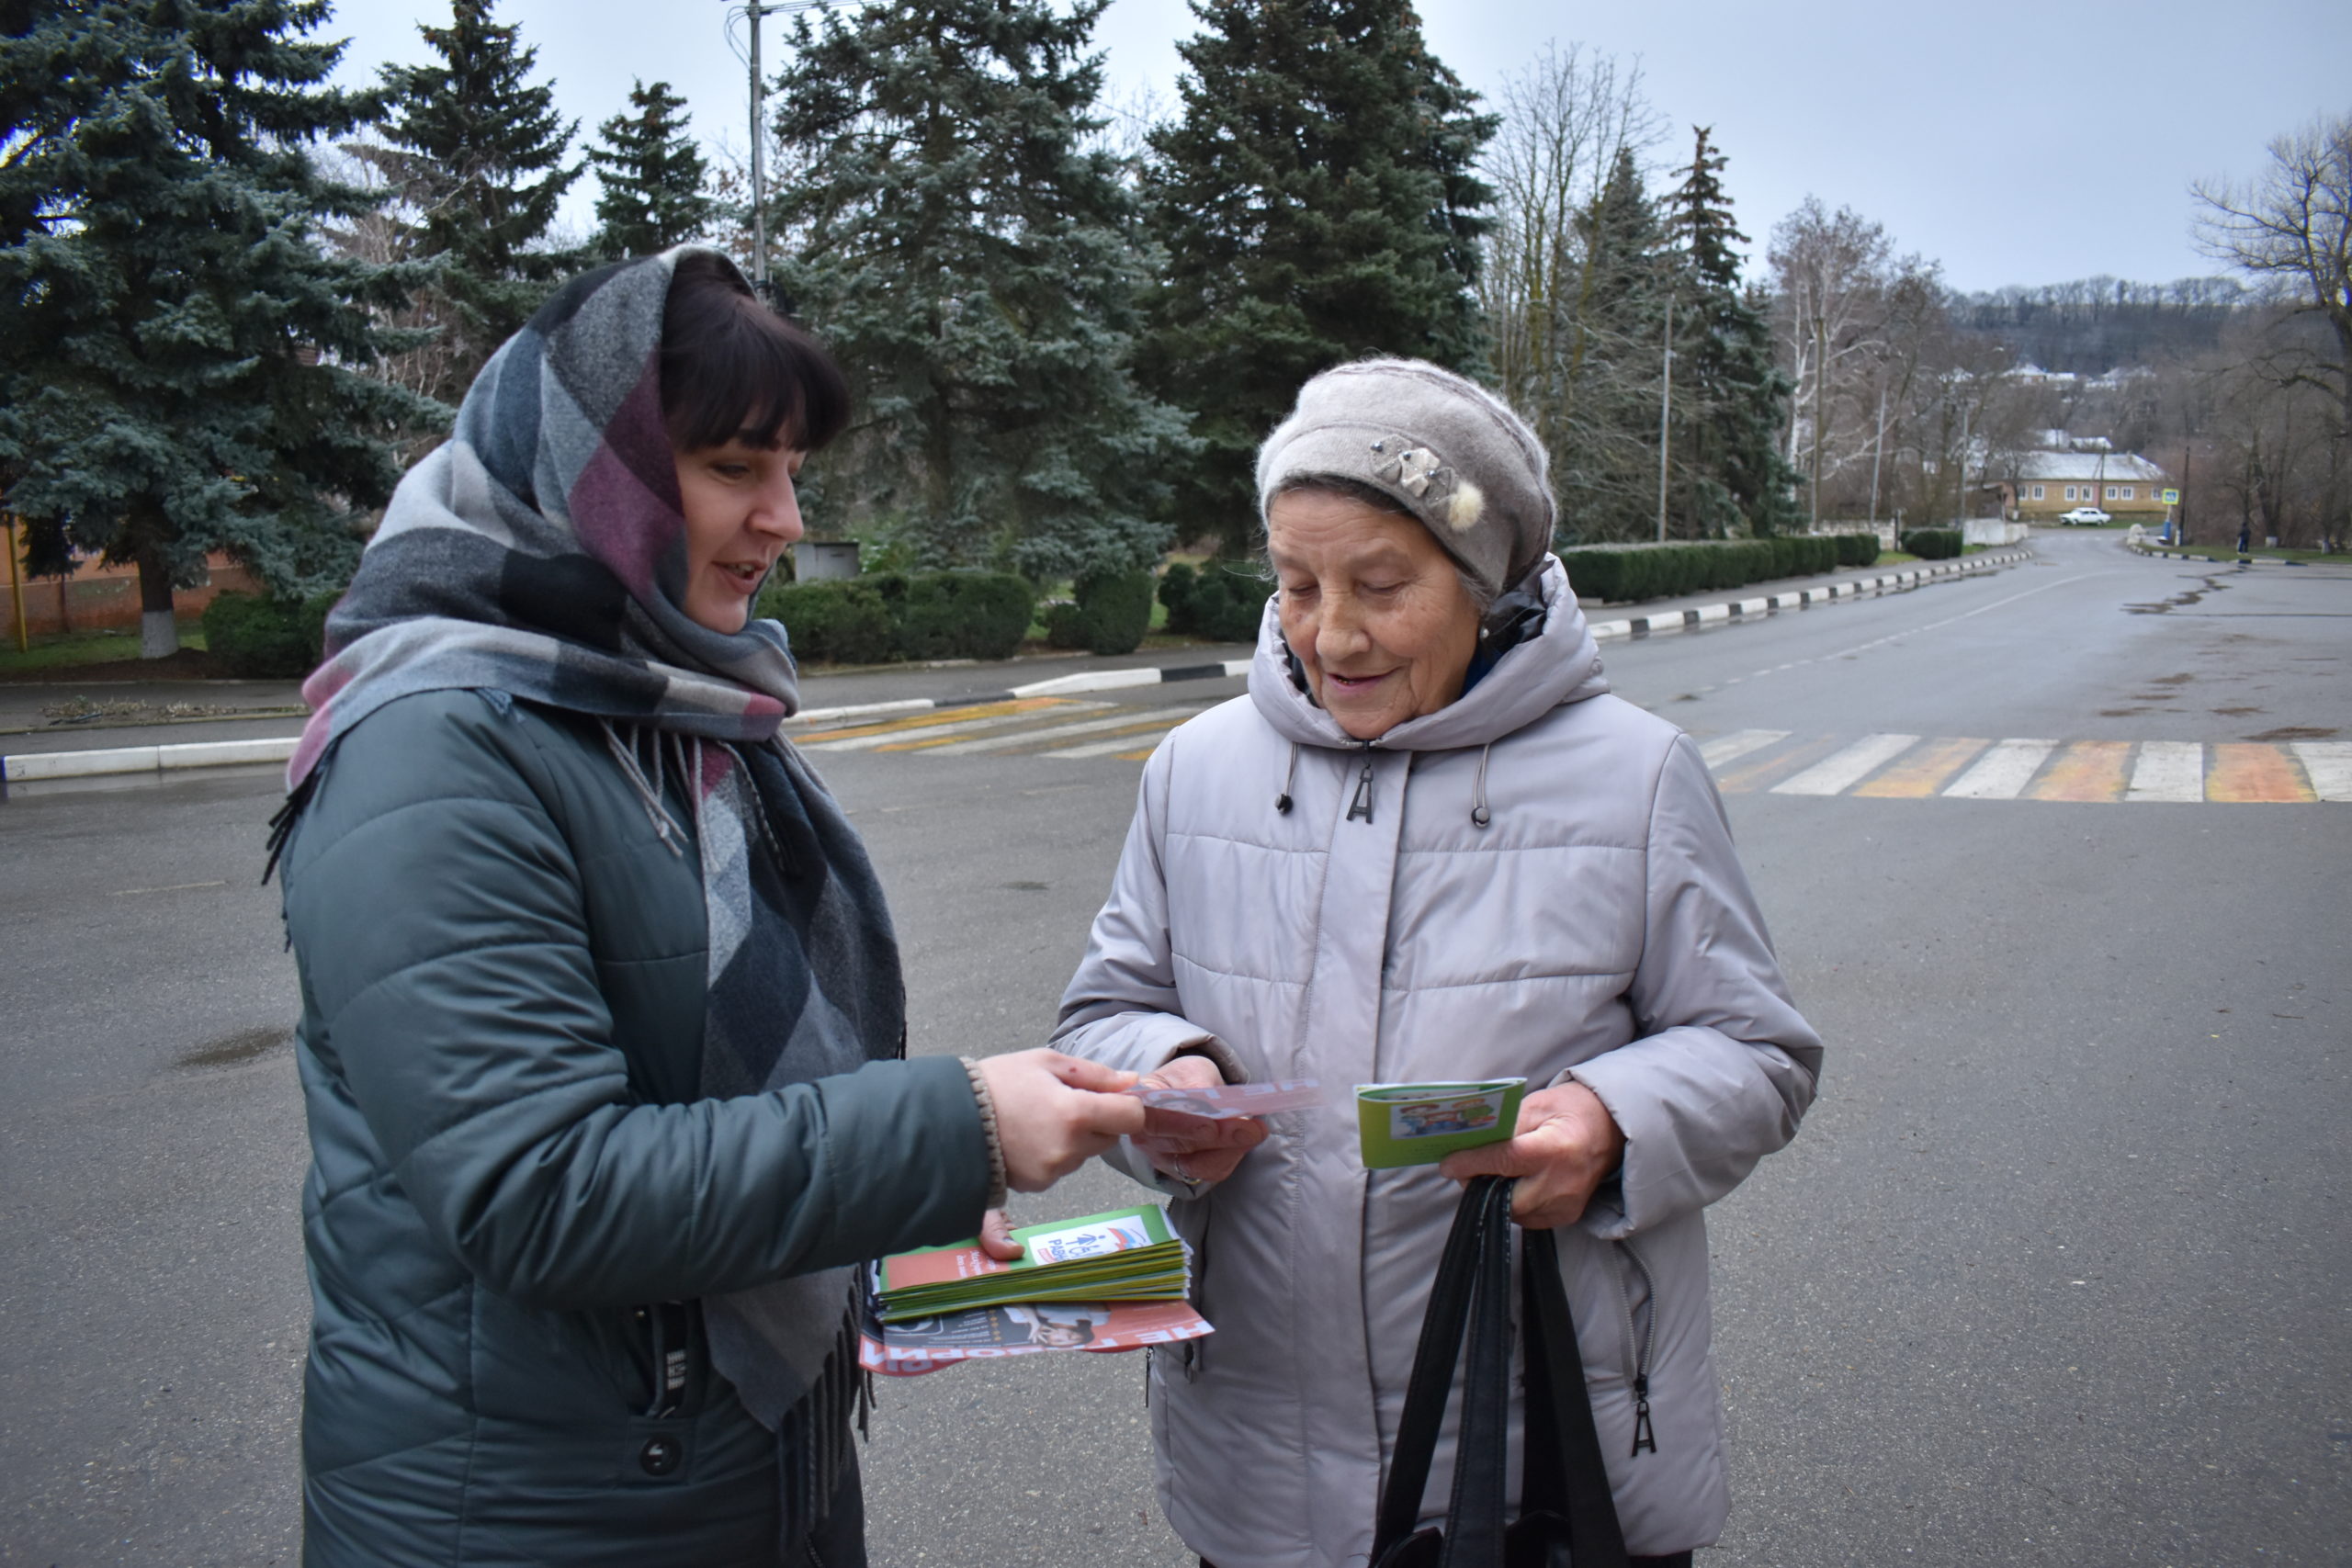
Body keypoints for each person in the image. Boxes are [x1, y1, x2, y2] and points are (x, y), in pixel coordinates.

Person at [272, 248, 1147, 1568]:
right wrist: (951, 1129)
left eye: (794, 472)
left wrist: (888, 1196)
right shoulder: (435, 748)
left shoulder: (659, 702)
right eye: (737, 468)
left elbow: (719, 1069)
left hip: (725, 1472)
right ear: (593, 476)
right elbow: (541, 1191)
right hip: (536, 1515)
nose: (786, 517)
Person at [1054, 360, 1825, 1568]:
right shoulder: (1194, 772)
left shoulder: (1635, 777)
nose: (1331, 633)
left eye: (1380, 585)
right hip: (1254, 1455)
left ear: (1484, 583)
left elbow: (1759, 1055)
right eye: (1297, 584)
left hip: (1537, 1454)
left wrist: (1610, 1121)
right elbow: (1107, 1009)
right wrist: (1171, 1075)